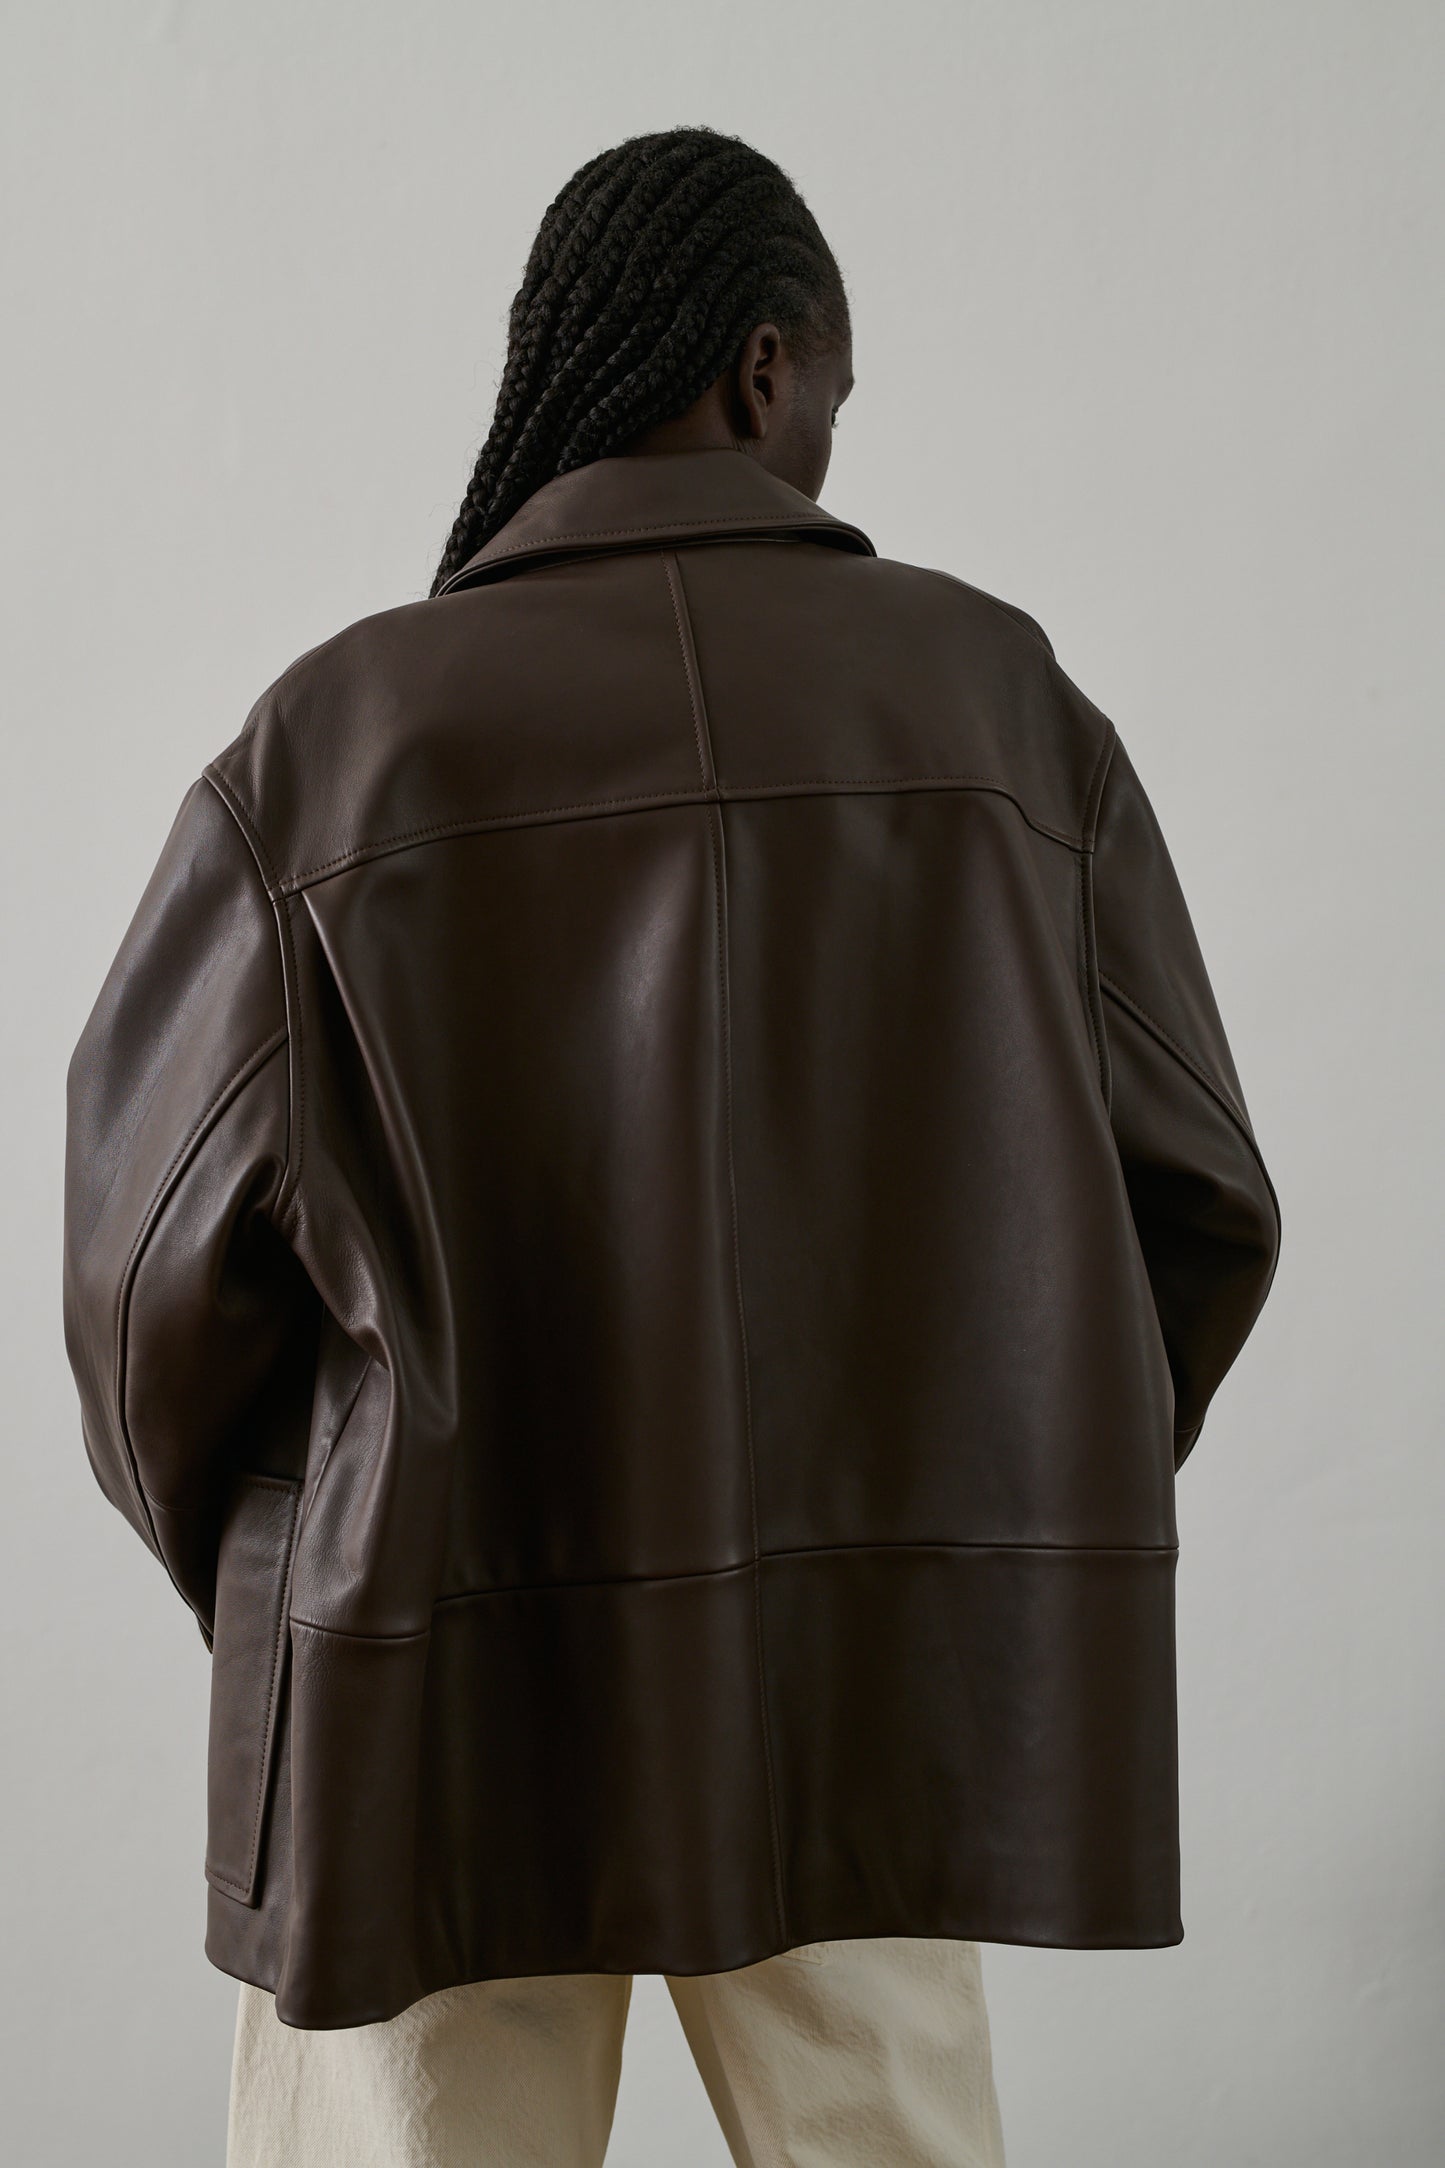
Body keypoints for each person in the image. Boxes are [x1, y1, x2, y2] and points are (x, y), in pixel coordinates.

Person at [61, 124, 1282, 2167]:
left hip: (429, 1683)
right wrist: (966, 1524)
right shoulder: (999, 707)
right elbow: (1201, 1202)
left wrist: (294, 1557)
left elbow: (138, 1280)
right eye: (833, 405)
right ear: (759, 366)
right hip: (860, 1693)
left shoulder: (341, 736)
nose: (827, 458)